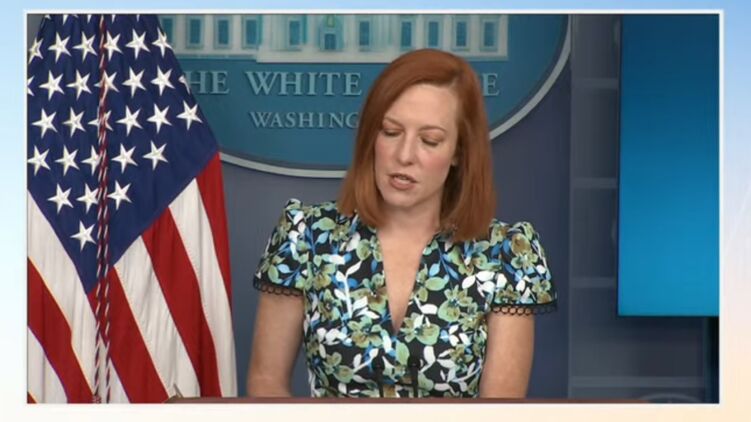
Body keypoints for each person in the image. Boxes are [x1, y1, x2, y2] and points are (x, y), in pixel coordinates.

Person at [247, 49, 556, 398]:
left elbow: (500, 411)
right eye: (391, 132)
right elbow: (266, 383)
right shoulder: (306, 235)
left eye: (429, 140)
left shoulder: (506, 254)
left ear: (459, 151)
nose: (404, 155)